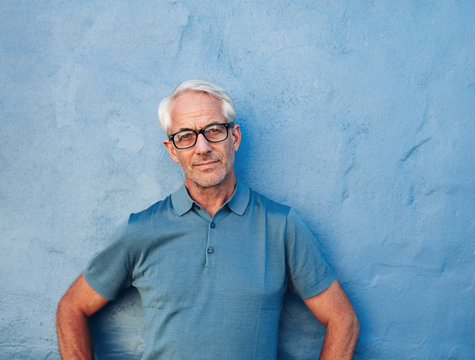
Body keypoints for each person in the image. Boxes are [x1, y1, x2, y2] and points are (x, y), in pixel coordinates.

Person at [56, 80, 359, 359]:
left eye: (214, 130)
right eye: (186, 136)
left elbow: (343, 319)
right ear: (172, 150)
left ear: (234, 136)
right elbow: (72, 307)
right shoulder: (141, 230)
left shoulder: (281, 226)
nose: (202, 148)